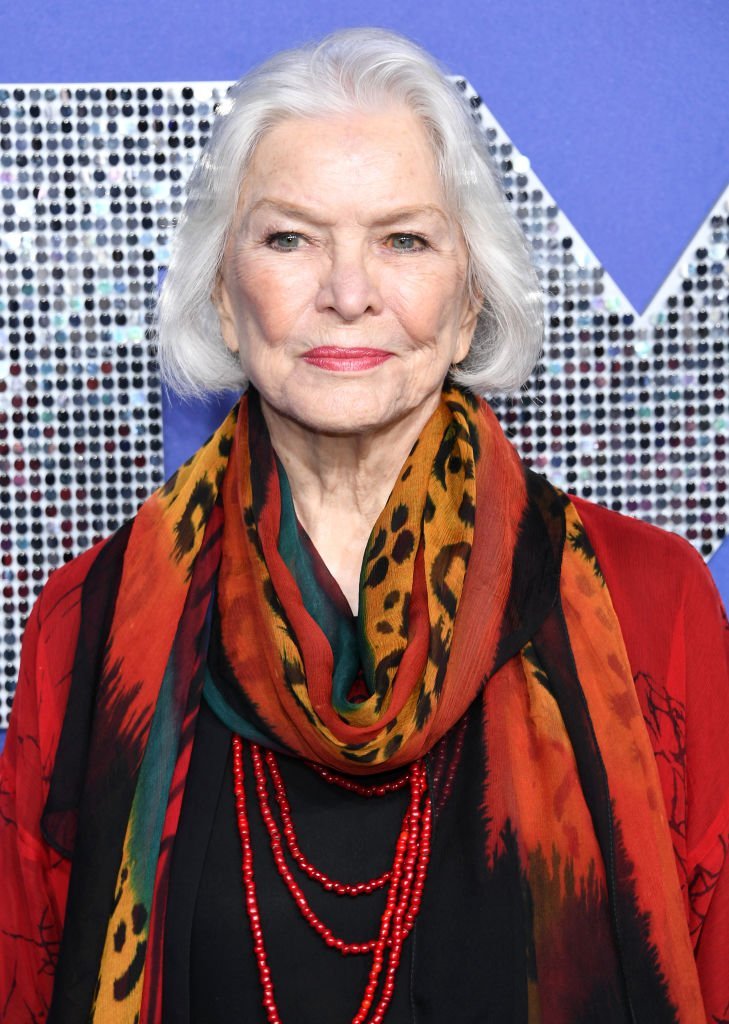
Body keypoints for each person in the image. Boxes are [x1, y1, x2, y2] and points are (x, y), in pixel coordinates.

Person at [1, 27, 727, 1024]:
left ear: (468, 301)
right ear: (223, 289)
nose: (348, 293)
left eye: (404, 239)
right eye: (290, 237)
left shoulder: (653, 603)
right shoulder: (88, 625)